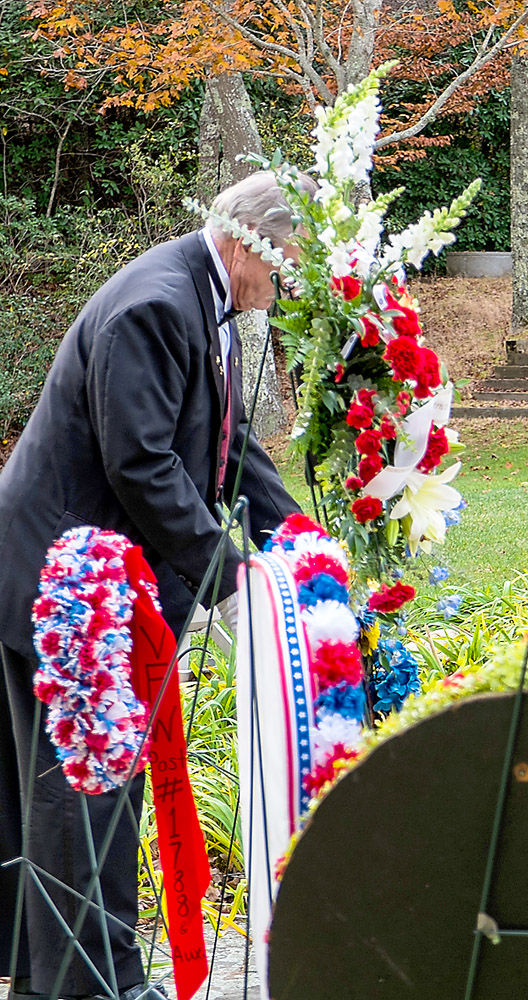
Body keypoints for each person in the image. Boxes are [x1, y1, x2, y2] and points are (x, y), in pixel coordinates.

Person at [0, 170, 312, 1000]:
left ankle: (53, 977)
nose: (291, 281)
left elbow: (230, 444)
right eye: (290, 262)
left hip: (108, 576)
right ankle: (89, 983)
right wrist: (228, 581)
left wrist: (299, 549)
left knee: (99, 787)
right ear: (254, 243)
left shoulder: (212, 301)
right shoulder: (157, 303)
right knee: (87, 787)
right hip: (68, 578)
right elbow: (139, 461)